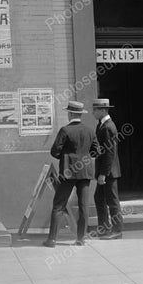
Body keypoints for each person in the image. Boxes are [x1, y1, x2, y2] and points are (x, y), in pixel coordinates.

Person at [43, 101, 99, 248]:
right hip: (85, 172)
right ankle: (81, 239)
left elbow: (54, 151)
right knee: (83, 206)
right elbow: (97, 151)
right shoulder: (89, 130)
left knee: (58, 205)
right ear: (80, 114)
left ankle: (52, 240)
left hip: (68, 172)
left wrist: (66, 156)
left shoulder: (65, 131)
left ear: (71, 114)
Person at [92, 98, 123, 240]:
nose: (93, 112)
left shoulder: (108, 127)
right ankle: (104, 228)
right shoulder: (101, 125)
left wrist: (103, 174)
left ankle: (117, 230)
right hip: (104, 171)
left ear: (103, 110)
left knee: (112, 201)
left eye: (95, 110)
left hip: (109, 172)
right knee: (99, 198)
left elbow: (110, 153)